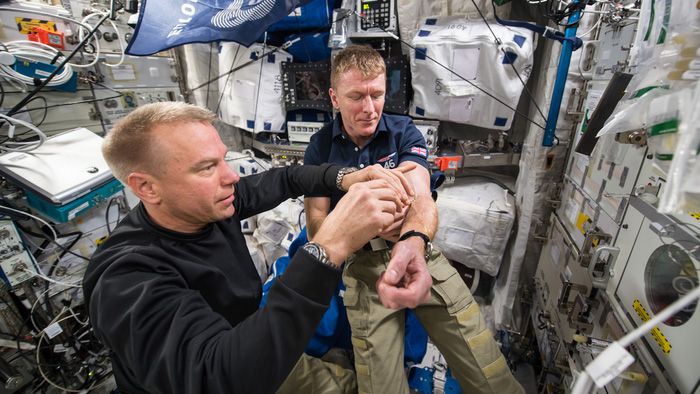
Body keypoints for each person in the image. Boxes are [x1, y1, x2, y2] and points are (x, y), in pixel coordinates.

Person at [83, 101, 423, 394]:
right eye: (207, 167)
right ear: (147, 187)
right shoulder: (126, 280)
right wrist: (329, 245)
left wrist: (343, 177)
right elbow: (221, 379)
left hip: (252, 344)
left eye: (223, 159)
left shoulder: (208, 207)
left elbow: (285, 179)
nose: (231, 176)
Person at [304, 45, 524, 394]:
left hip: (415, 248)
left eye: (376, 94)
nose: (369, 108)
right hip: (362, 267)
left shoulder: (403, 131)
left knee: (490, 373)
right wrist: (354, 224)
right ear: (334, 97)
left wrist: (413, 239)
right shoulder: (319, 148)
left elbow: (420, 195)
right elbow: (317, 221)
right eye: (356, 96)